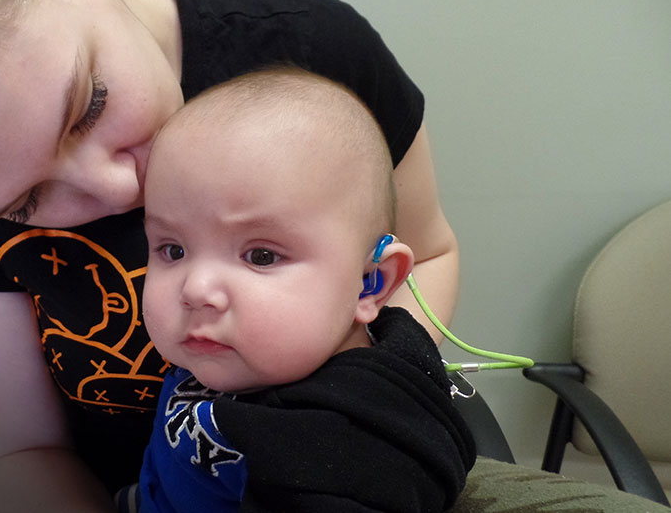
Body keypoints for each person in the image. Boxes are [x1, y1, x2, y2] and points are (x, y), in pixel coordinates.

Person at [0, 0, 460, 510]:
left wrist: (359, 422)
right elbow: (19, 451)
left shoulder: (315, 51)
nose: (123, 189)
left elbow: (425, 255)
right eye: (21, 207)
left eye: (88, 103)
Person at [120, 67, 474, 513]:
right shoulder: (239, 356)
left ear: (372, 282)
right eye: (172, 249)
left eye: (261, 256)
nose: (196, 288)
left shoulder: (345, 458)